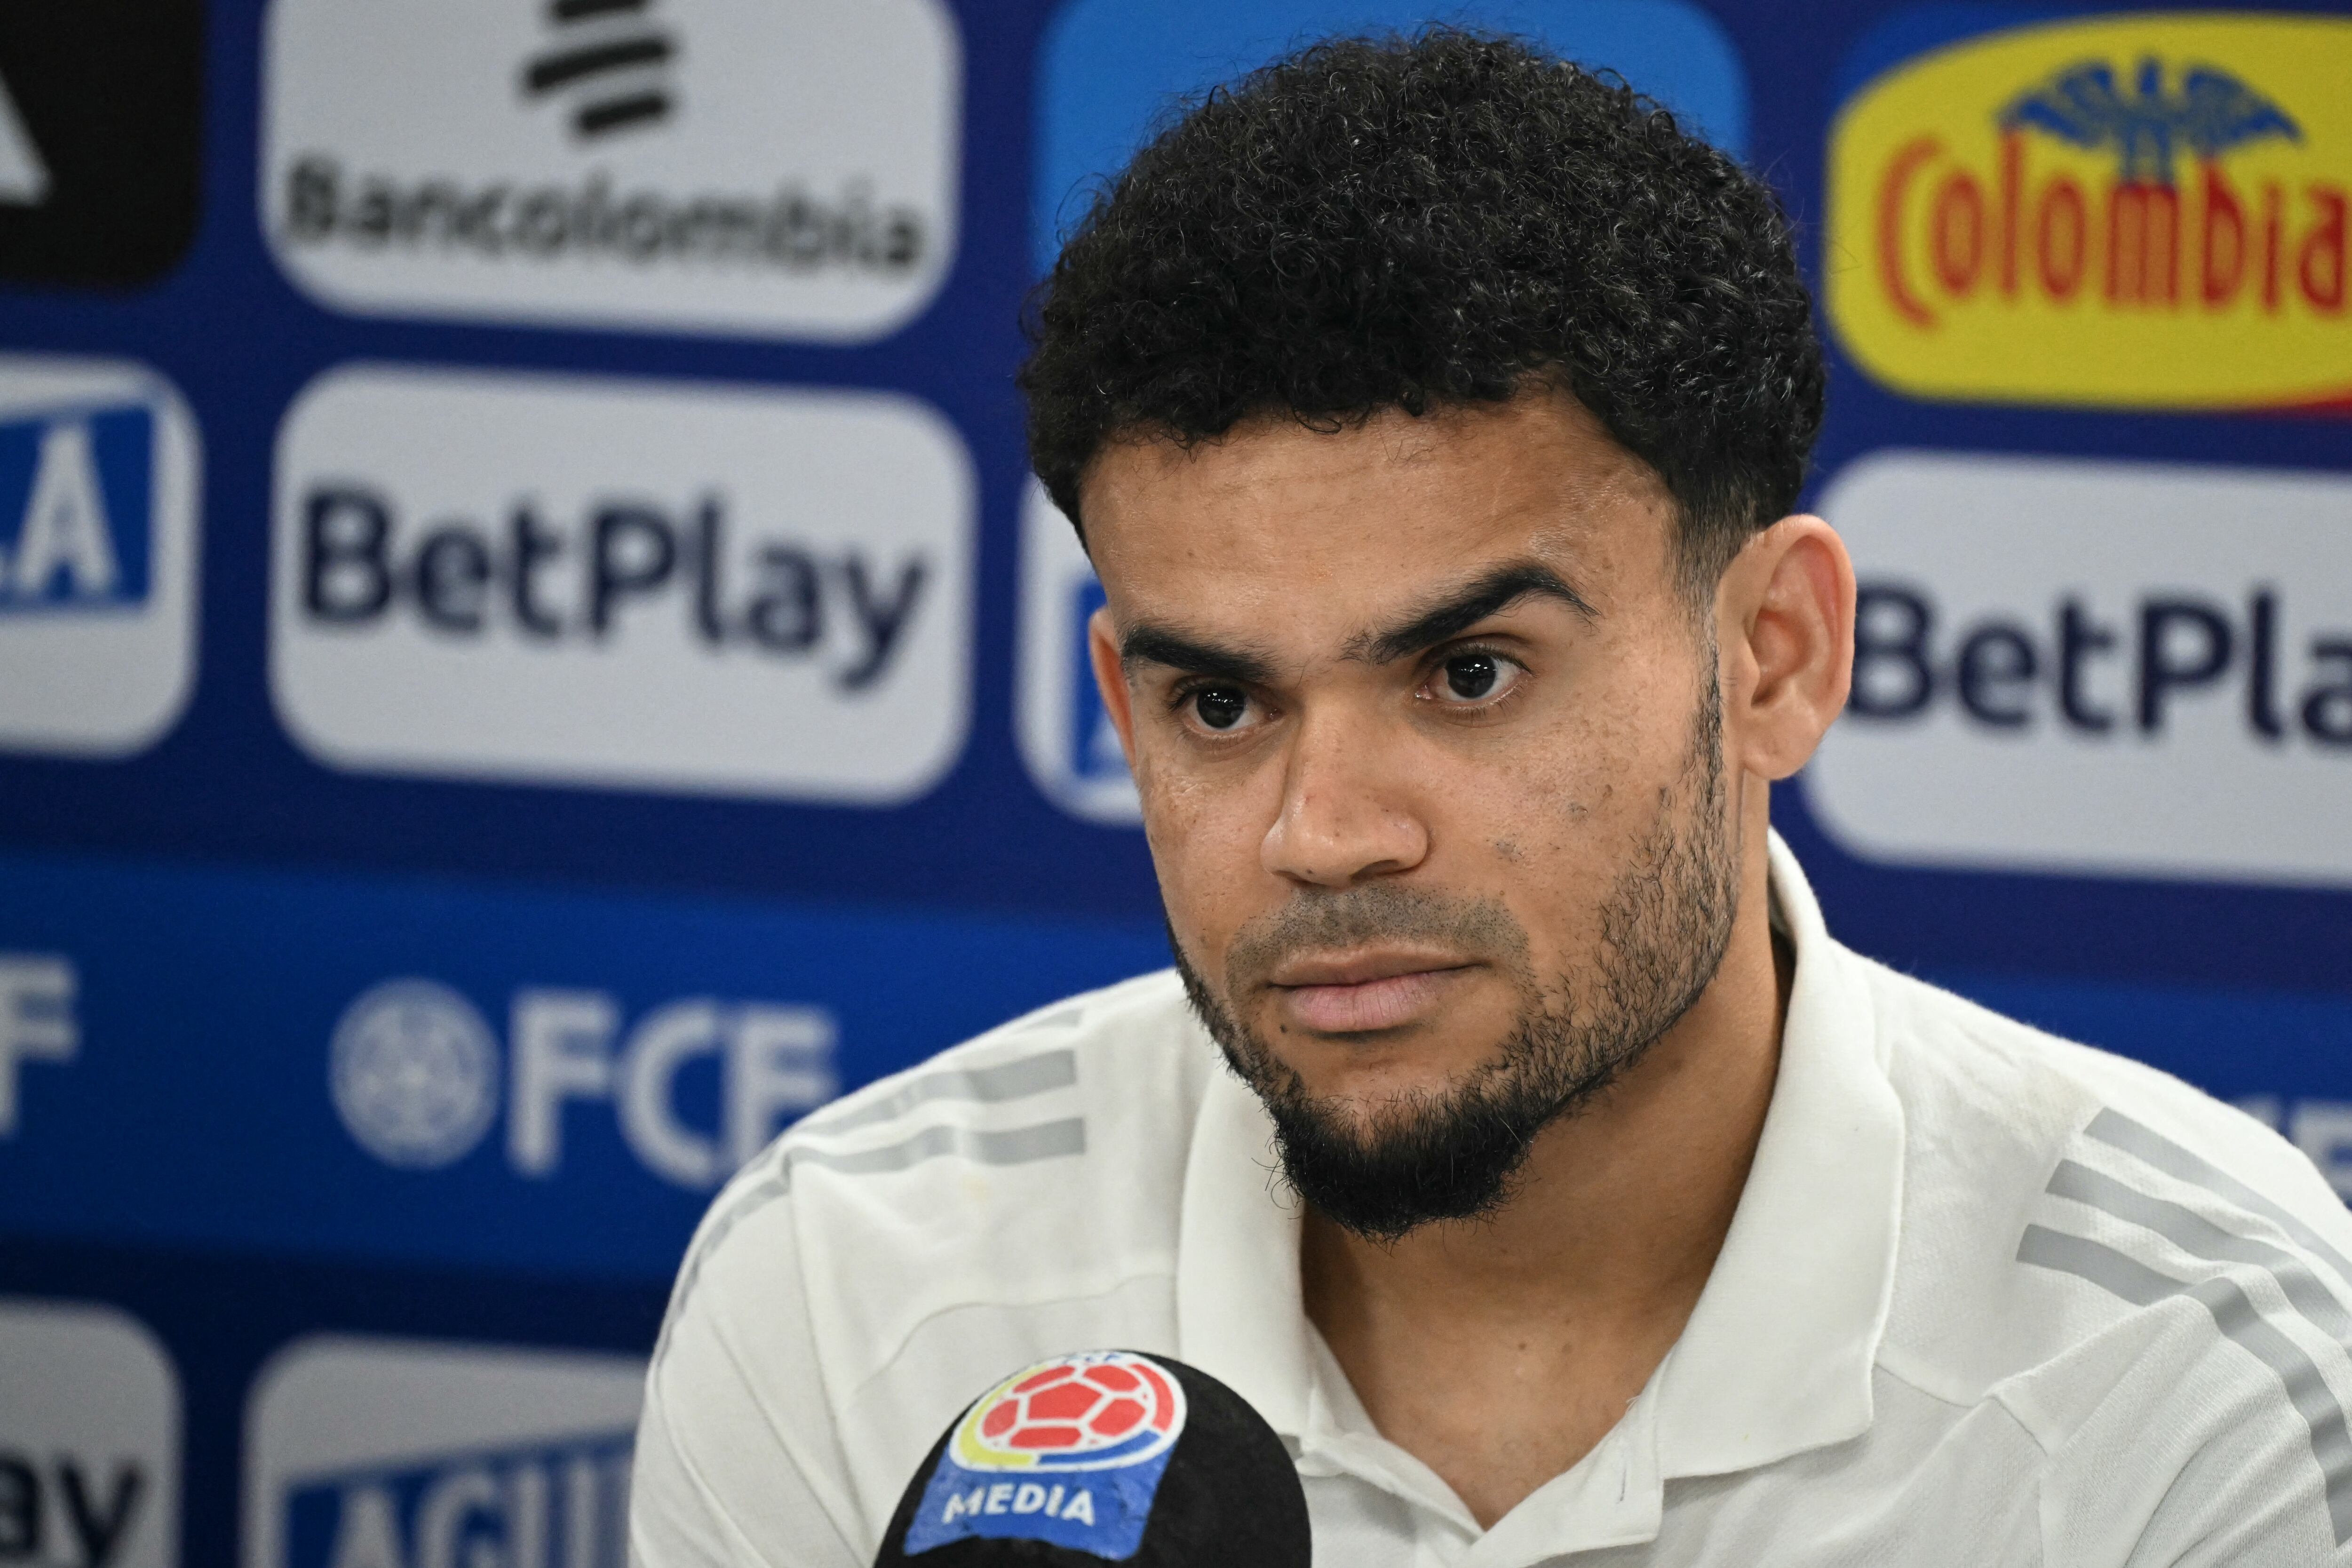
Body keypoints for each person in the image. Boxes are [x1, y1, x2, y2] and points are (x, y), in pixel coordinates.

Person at [630, 30, 2352, 1566]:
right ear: (1119, 706)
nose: (1324, 834)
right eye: (1218, 703)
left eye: (1468, 675)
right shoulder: (849, 1289)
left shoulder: (2198, 1363)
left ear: (1772, 657)